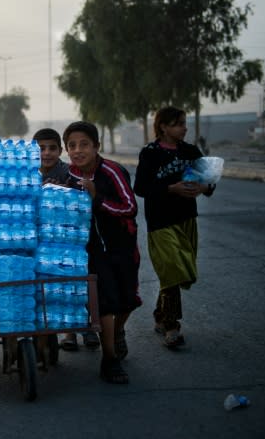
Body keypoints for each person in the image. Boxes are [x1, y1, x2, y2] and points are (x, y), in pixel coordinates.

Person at [63, 121, 140, 384]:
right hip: (92, 249)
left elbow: (129, 207)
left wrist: (97, 198)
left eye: (84, 144)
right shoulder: (70, 176)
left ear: (97, 146)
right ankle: (109, 360)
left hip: (122, 245)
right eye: (72, 145)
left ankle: (118, 332)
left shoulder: (112, 171)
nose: (78, 150)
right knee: (106, 301)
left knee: (128, 299)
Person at [133, 107, 216, 349]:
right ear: (163, 127)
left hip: (187, 219)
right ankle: (172, 327)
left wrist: (202, 188)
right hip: (160, 222)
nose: (184, 127)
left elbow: (209, 180)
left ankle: (160, 314)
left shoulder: (190, 151)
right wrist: (171, 189)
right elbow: (141, 188)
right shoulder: (150, 154)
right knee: (173, 269)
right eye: (179, 123)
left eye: (184, 123)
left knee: (178, 272)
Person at [33, 127, 100, 352]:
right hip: (41, 239)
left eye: (52, 148)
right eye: (41, 148)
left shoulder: (69, 172)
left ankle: (87, 327)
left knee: (76, 279)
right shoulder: (28, 174)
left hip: (70, 239)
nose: (47, 153)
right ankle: (67, 331)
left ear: (60, 150)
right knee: (54, 284)